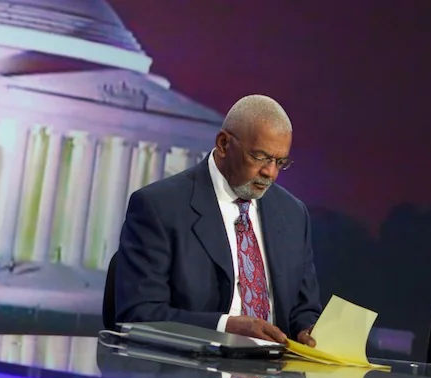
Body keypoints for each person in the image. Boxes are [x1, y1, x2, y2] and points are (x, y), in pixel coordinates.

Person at [114, 94, 321, 345]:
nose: (270, 173)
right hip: (190, 373)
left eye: (280, 162)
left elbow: (303, 308)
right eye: (260, 157)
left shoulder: (293, 214)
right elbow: (138, 315)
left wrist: (307, 330)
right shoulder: (159, 207)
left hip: (277, 374)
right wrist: (224, 327)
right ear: (223, 144)